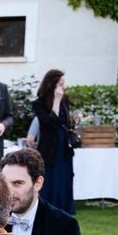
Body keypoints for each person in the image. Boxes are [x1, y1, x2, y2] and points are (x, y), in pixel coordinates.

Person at [33, 69, 76, 215]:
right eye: (60, 84)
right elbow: (50, 122)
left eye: (63, 84)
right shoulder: (39, 103)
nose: (62, 88)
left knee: (64, 181)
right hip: (49, 149)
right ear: (52, 84)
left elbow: (65, 122)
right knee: (51, 181)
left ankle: (64, 213)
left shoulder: (65, 100)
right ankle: (47, 212)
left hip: (63, 147)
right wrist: (56, 101)